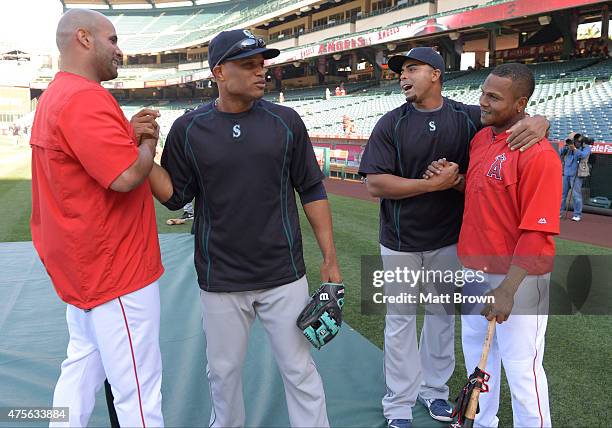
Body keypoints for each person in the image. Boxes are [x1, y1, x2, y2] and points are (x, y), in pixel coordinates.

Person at [148, 29, 342, 428]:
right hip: (220, 277)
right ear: (219, 71)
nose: (261, 72)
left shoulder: (285, 121)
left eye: (262, 64)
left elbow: (311, 189)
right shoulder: (189, 128)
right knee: (223, 373)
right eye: (249, 65)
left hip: (283, 275)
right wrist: (145, 155)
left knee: (299, 370)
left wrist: (330, 257)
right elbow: (174, 196)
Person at [358, 47, 549, 428]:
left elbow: (512, 122)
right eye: (400, 70)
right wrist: (434, 185)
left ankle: (434, 393)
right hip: (399, 242)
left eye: (412, 68)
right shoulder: (390, 122)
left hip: (448, 242)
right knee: (399, 323)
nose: (403, 75)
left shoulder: (466, 117)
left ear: (436, 74)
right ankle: (398, 404)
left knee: (441, 320)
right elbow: (375, 184)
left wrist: (542, 119)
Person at [29, 9, 164, 427]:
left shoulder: (57, 94)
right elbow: (125, 176)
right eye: (113, 40)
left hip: (85, 269)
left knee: (81, 369)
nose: (119, 50)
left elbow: (86, 161)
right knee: (139, 391)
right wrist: (145, 144)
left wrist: (124, 131)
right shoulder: (85, 96)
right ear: (84, 39)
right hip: (115, 271)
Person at [455, 62, 561, 428]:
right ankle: (482, 424)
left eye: (493, 97)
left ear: (520, 105)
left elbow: (538, 232)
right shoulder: (481, 137)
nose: (483, 101)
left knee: (522, 370)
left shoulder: (539, 153)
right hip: (474, 270)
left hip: (518, 277)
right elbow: (484, 192)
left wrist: (508, 288)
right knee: (477, 360)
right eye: (483, 92)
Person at [559, 132, 592, 221]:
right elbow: (560, 152)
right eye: (574, 141)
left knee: (576, 195)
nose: (575, 143)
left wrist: (574, 149)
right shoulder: (568, 148)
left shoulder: (586, 148)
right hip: (566, 174)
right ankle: (559, 213)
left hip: (577, 175)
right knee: (562, 195)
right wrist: (567, 145)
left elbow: (583, 156)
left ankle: (577, 214)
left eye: (577, 141)